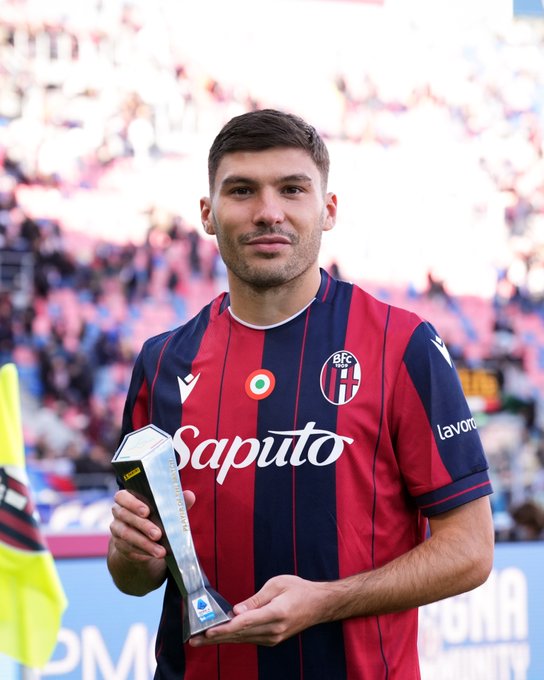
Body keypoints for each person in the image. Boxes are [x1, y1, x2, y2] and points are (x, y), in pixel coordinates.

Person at [107, 109, 494, 680]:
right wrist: (130, 554)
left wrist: (326, 601)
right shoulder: (162, 362)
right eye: (242, 191)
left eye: (292, 189)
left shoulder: (400, 344)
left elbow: (471, 550)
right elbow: (135, 577)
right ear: (209, 215)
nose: (269, 211)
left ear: (327, 209)